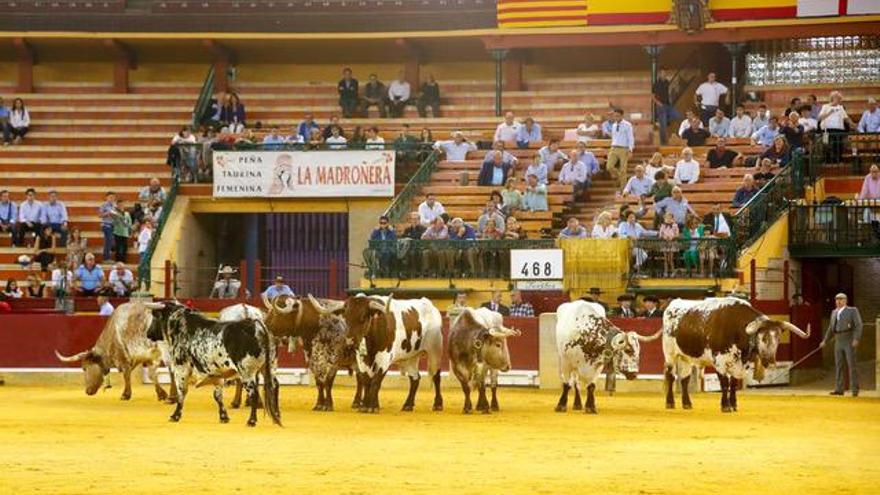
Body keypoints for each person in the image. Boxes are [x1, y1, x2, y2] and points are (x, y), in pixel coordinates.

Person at [821, 293, 863, 397]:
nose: (838, 301)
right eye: (837, 299)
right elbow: (831, 328)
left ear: (845, 301)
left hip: (849, 338)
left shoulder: (852, 310)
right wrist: (825, 341)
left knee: (851, 365)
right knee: (839, 365)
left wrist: (856, 338)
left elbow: (858, 325)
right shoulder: (834, 312)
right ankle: (839, 389)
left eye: (841, 299)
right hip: (838, 339)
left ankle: (854, 390)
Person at [818, 91, 854, 163]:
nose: (839, 100)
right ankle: (827, 161)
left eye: (839, 98)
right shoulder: (825, 106)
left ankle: (838, 160)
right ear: (832, 98)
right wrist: (829, 112)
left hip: (838, 129)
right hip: (826, 130)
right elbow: (820, 117)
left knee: (838, 145)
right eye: (837, 98)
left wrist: (852, 124)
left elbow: (846, 118)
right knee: (826, 144)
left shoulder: (840, 107)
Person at [607, 108, 634, 189]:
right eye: (615, 116)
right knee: (609, 167)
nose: (616, 117)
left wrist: (630, 150)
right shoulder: (614, 125)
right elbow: (614, 137)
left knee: (623, 170)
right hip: (614, 148)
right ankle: (622, 178)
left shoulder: (627, 125)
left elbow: (631, 138)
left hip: (623, 149)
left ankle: (623, 190)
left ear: (622, 116)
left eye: (618, 116)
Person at [653, 68, 681, 145]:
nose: (664, 75)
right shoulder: (656, 84)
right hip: (661, 106)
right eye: (663, 73)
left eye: (665, 73)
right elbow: (653, 96)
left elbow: (669, 92)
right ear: (659, 74)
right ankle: (663, 142)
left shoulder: (667, 82)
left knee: (678, 116)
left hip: (668, 105)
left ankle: (667, 119)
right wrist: (658, 103)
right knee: (663, 126)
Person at [658, 211, 680, 277]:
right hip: (664, 243)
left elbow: (677, 234)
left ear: (672, 218)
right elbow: (660, 235)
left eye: (670, 218)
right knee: (665, 258)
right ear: (664, 218)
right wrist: (664, 237)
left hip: (672, 243)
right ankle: (666, 271)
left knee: (670, 258)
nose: (668, 219)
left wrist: (672, 237)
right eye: (667, 218)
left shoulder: (675, 225)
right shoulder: (662, 225)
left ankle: (673, 271)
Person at [110, 198, 132, 263]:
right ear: (117, 205)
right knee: (118, 247)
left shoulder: (127, 213)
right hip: (117, 232)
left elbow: (130, 223)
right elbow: (113, 222)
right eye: (119, 205)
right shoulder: (115, 213)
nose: (120, 206)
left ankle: (123, 261)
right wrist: (116, 220)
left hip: (125, 233)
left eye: (122, 205)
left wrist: (127, 224)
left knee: (124, 247)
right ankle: (118, 261)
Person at [99, 191, 117, 261]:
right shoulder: (103, 205)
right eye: (110, 197)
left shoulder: (115, 205)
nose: (112, 199)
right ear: (106, 198)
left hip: (114, 225)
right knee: (108, 241)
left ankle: (108, 256)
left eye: (113, 197)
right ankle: (106, 258)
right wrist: (107, 213)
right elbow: (100, 215)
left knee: (111, 241)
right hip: (106, 225)